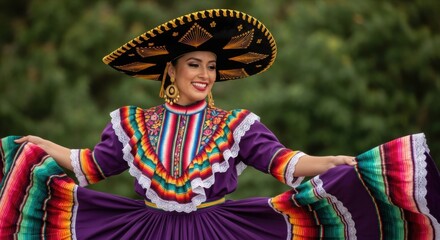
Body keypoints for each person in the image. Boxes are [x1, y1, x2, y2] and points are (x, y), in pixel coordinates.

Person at [0, 9, 439, 240]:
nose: (204, 75)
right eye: (194, 64)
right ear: (169, 70)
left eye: (211, 66)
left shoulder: (237, 125)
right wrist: (47, 148)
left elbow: (282, 161)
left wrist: (328, 162)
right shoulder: (132, 124)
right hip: (146, 229)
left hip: (218, 229)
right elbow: (93, 165)